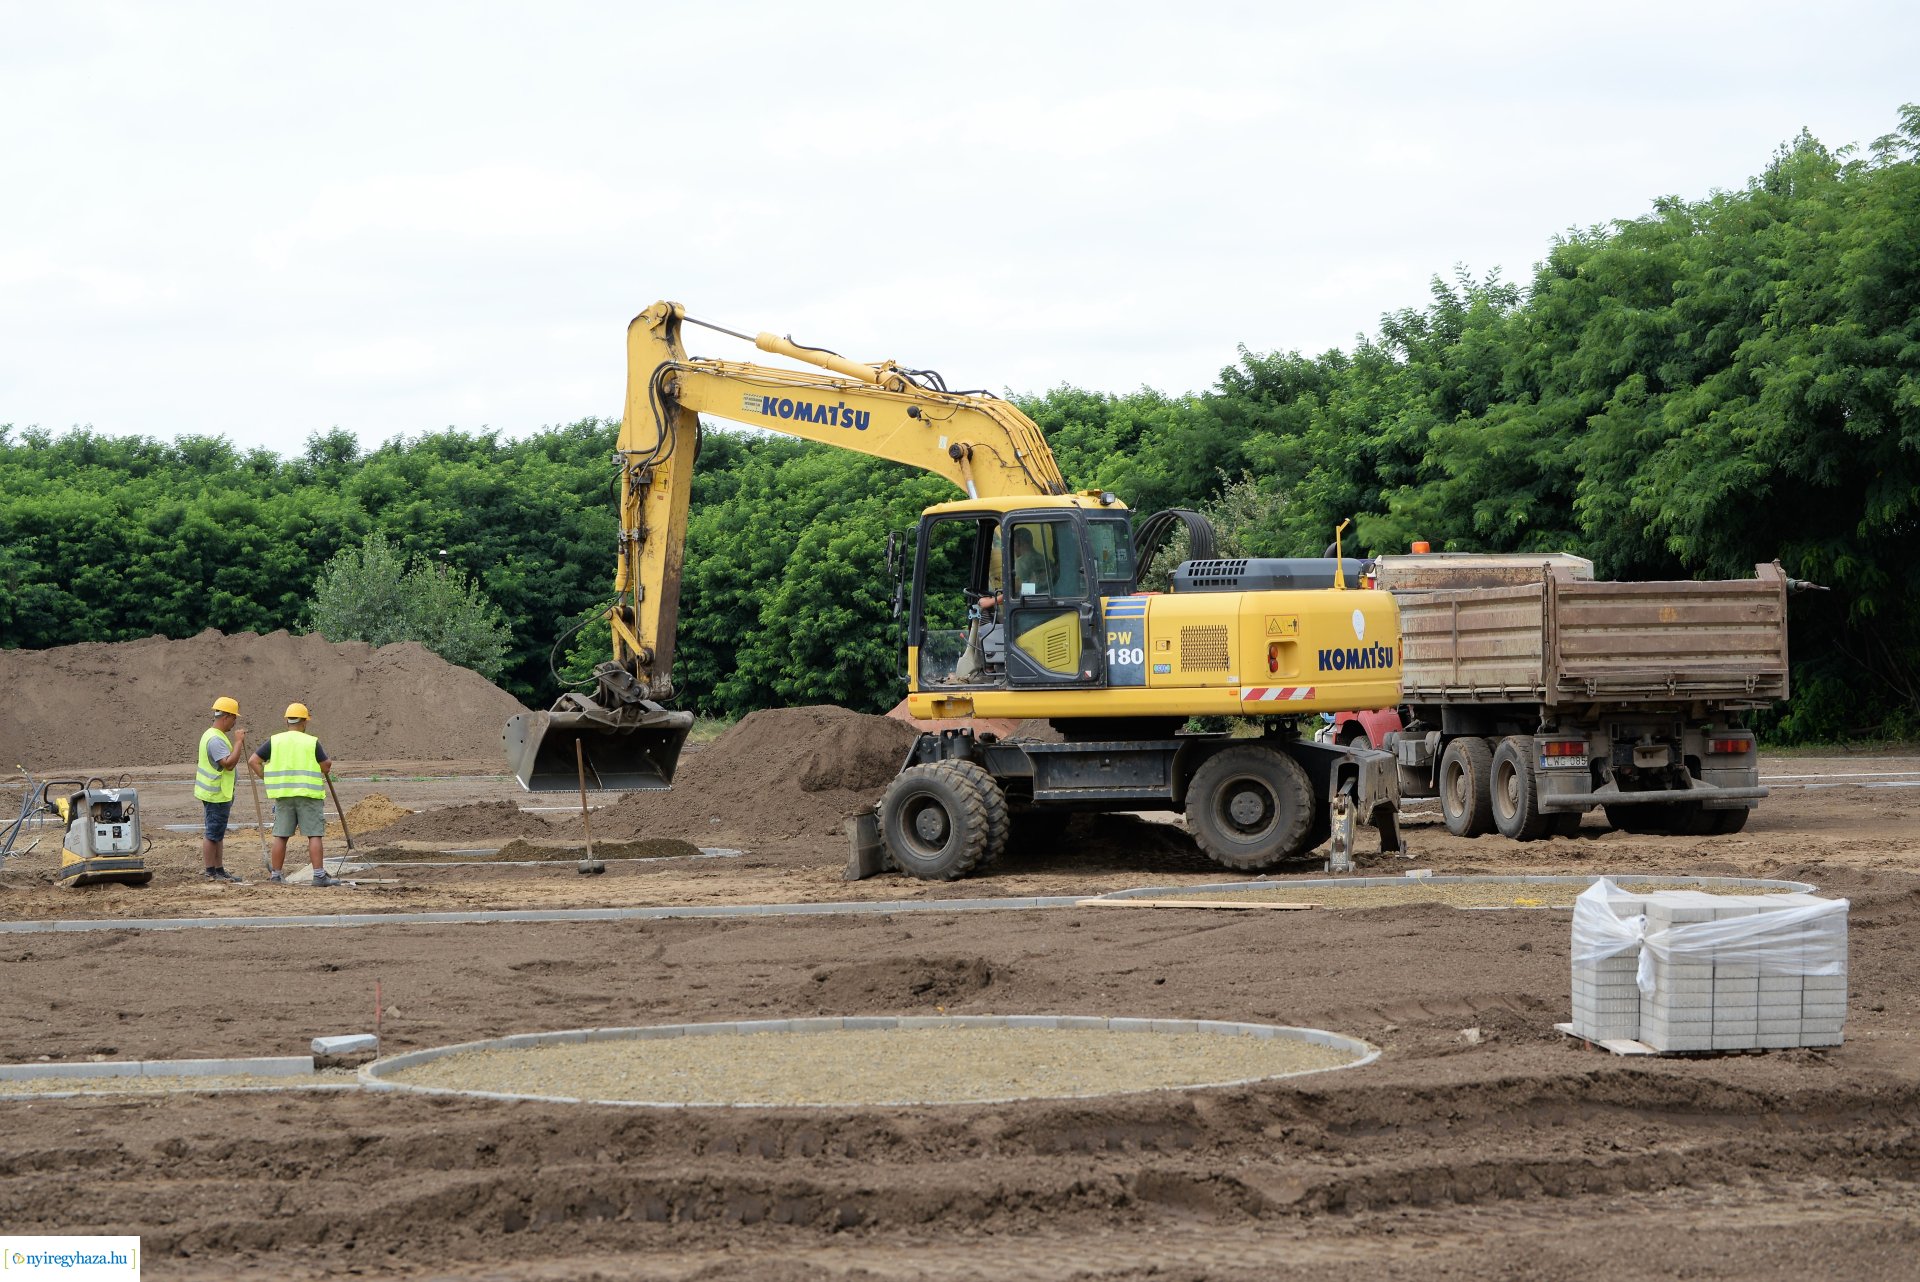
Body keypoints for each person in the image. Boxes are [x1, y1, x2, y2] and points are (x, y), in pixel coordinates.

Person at [250, 702, 340, 887]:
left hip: (283, 795)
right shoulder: (311, 742)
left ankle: (275, 875)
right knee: (314, 834)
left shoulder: (275, 741)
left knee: (281, 835)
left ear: (287, 721)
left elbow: (253, 761)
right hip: (308, 795)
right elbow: (326, 766)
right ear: (305, 722)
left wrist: (267, 777)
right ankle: (319, 875)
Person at [193, 696, 248, 882]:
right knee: (212, 833)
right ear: (226, 716)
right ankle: (211, 872)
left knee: (217, 833)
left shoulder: (212, 735)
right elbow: (228, 764)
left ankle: (218, 870)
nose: (235, 722)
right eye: (234, 718)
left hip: (217, 793)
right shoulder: (215, 739)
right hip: (215, 793)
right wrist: (239, 742)